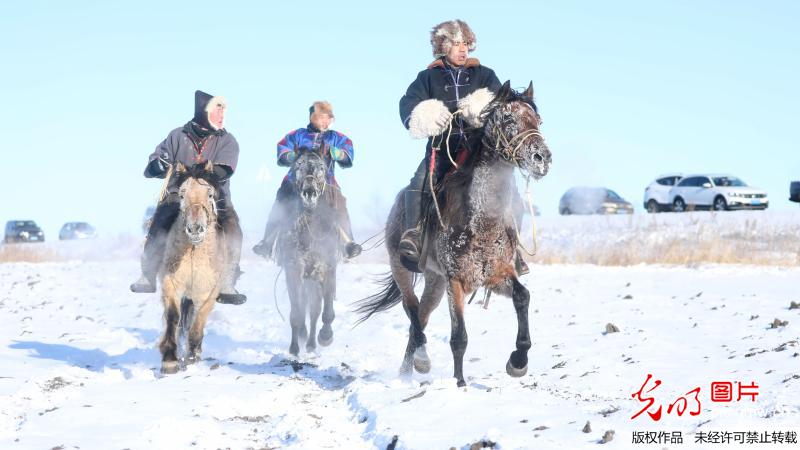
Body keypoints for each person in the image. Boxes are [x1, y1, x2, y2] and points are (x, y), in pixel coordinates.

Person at [398, 19, 529, 274]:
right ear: (443, 46)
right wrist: (425, 114)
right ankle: (414, 235)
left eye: (466, 44)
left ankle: (515, 248)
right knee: (418, 182)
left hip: (478, 151)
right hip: (440, 150)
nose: (463, 50)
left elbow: (504, 106)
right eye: (457, 44)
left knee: (511, 190)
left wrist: (483, 108)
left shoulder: (484, 75)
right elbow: (408, 104)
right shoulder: (427, 77)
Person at [130, 90, 247, 305]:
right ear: (204, 113)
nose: (222, 115)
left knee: (232, 227)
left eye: (223, 111)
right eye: (217, 110)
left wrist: (190, 173)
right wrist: (159, 164)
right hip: (177, 197)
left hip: (215, 199)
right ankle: (147, 274)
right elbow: (152, 165)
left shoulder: (227, 140)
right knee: (160, 222)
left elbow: (223, 171)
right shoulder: (176, 136)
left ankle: (228, 280)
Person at [252, 101, 361, 260]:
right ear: (312, 117)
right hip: (294, 181)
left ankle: (348, 243)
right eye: (321, 117)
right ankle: (267, 242)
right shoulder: (297, 135)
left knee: (340, 203)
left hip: (326, 183)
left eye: (328, 118)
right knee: (281, 202)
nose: (325, 121)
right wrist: (293, 155)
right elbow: (282, 151)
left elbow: (348, 153)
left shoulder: (336, 137)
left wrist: (337, 153)